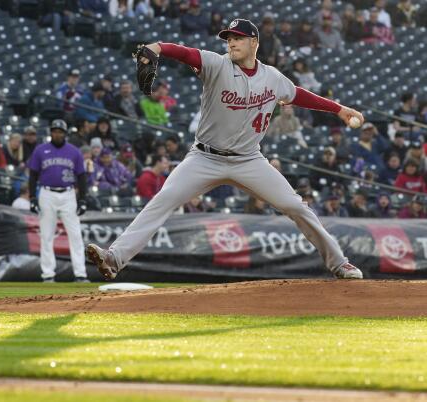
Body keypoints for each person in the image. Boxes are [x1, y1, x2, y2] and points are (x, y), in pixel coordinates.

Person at [86, 18, 365, 281]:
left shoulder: (272, 77)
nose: (231, 43)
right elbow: (185, 53)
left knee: (295, 206)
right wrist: (157, 47)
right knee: (165, 199)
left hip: (249, 160)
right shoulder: (216, 64)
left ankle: (339, 263)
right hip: (204, 157)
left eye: (238, 38)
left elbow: (298, 95)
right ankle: (114, 258)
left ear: (254, 42)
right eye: (229, 38)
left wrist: (338, 109)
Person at [28, 119, 89, 283]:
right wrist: (32, 197)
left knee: (75, 235)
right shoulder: (41, 150)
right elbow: (33, 175)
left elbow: (82, 176)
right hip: (47, 193)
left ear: (65, 133)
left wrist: (82, 199)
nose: (57, 134)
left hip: (68, 195)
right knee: (46, 235)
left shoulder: (74, 152)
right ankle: (47, 274)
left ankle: (80, 274)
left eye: (60, 131)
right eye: (55, 131)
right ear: (51, 132)